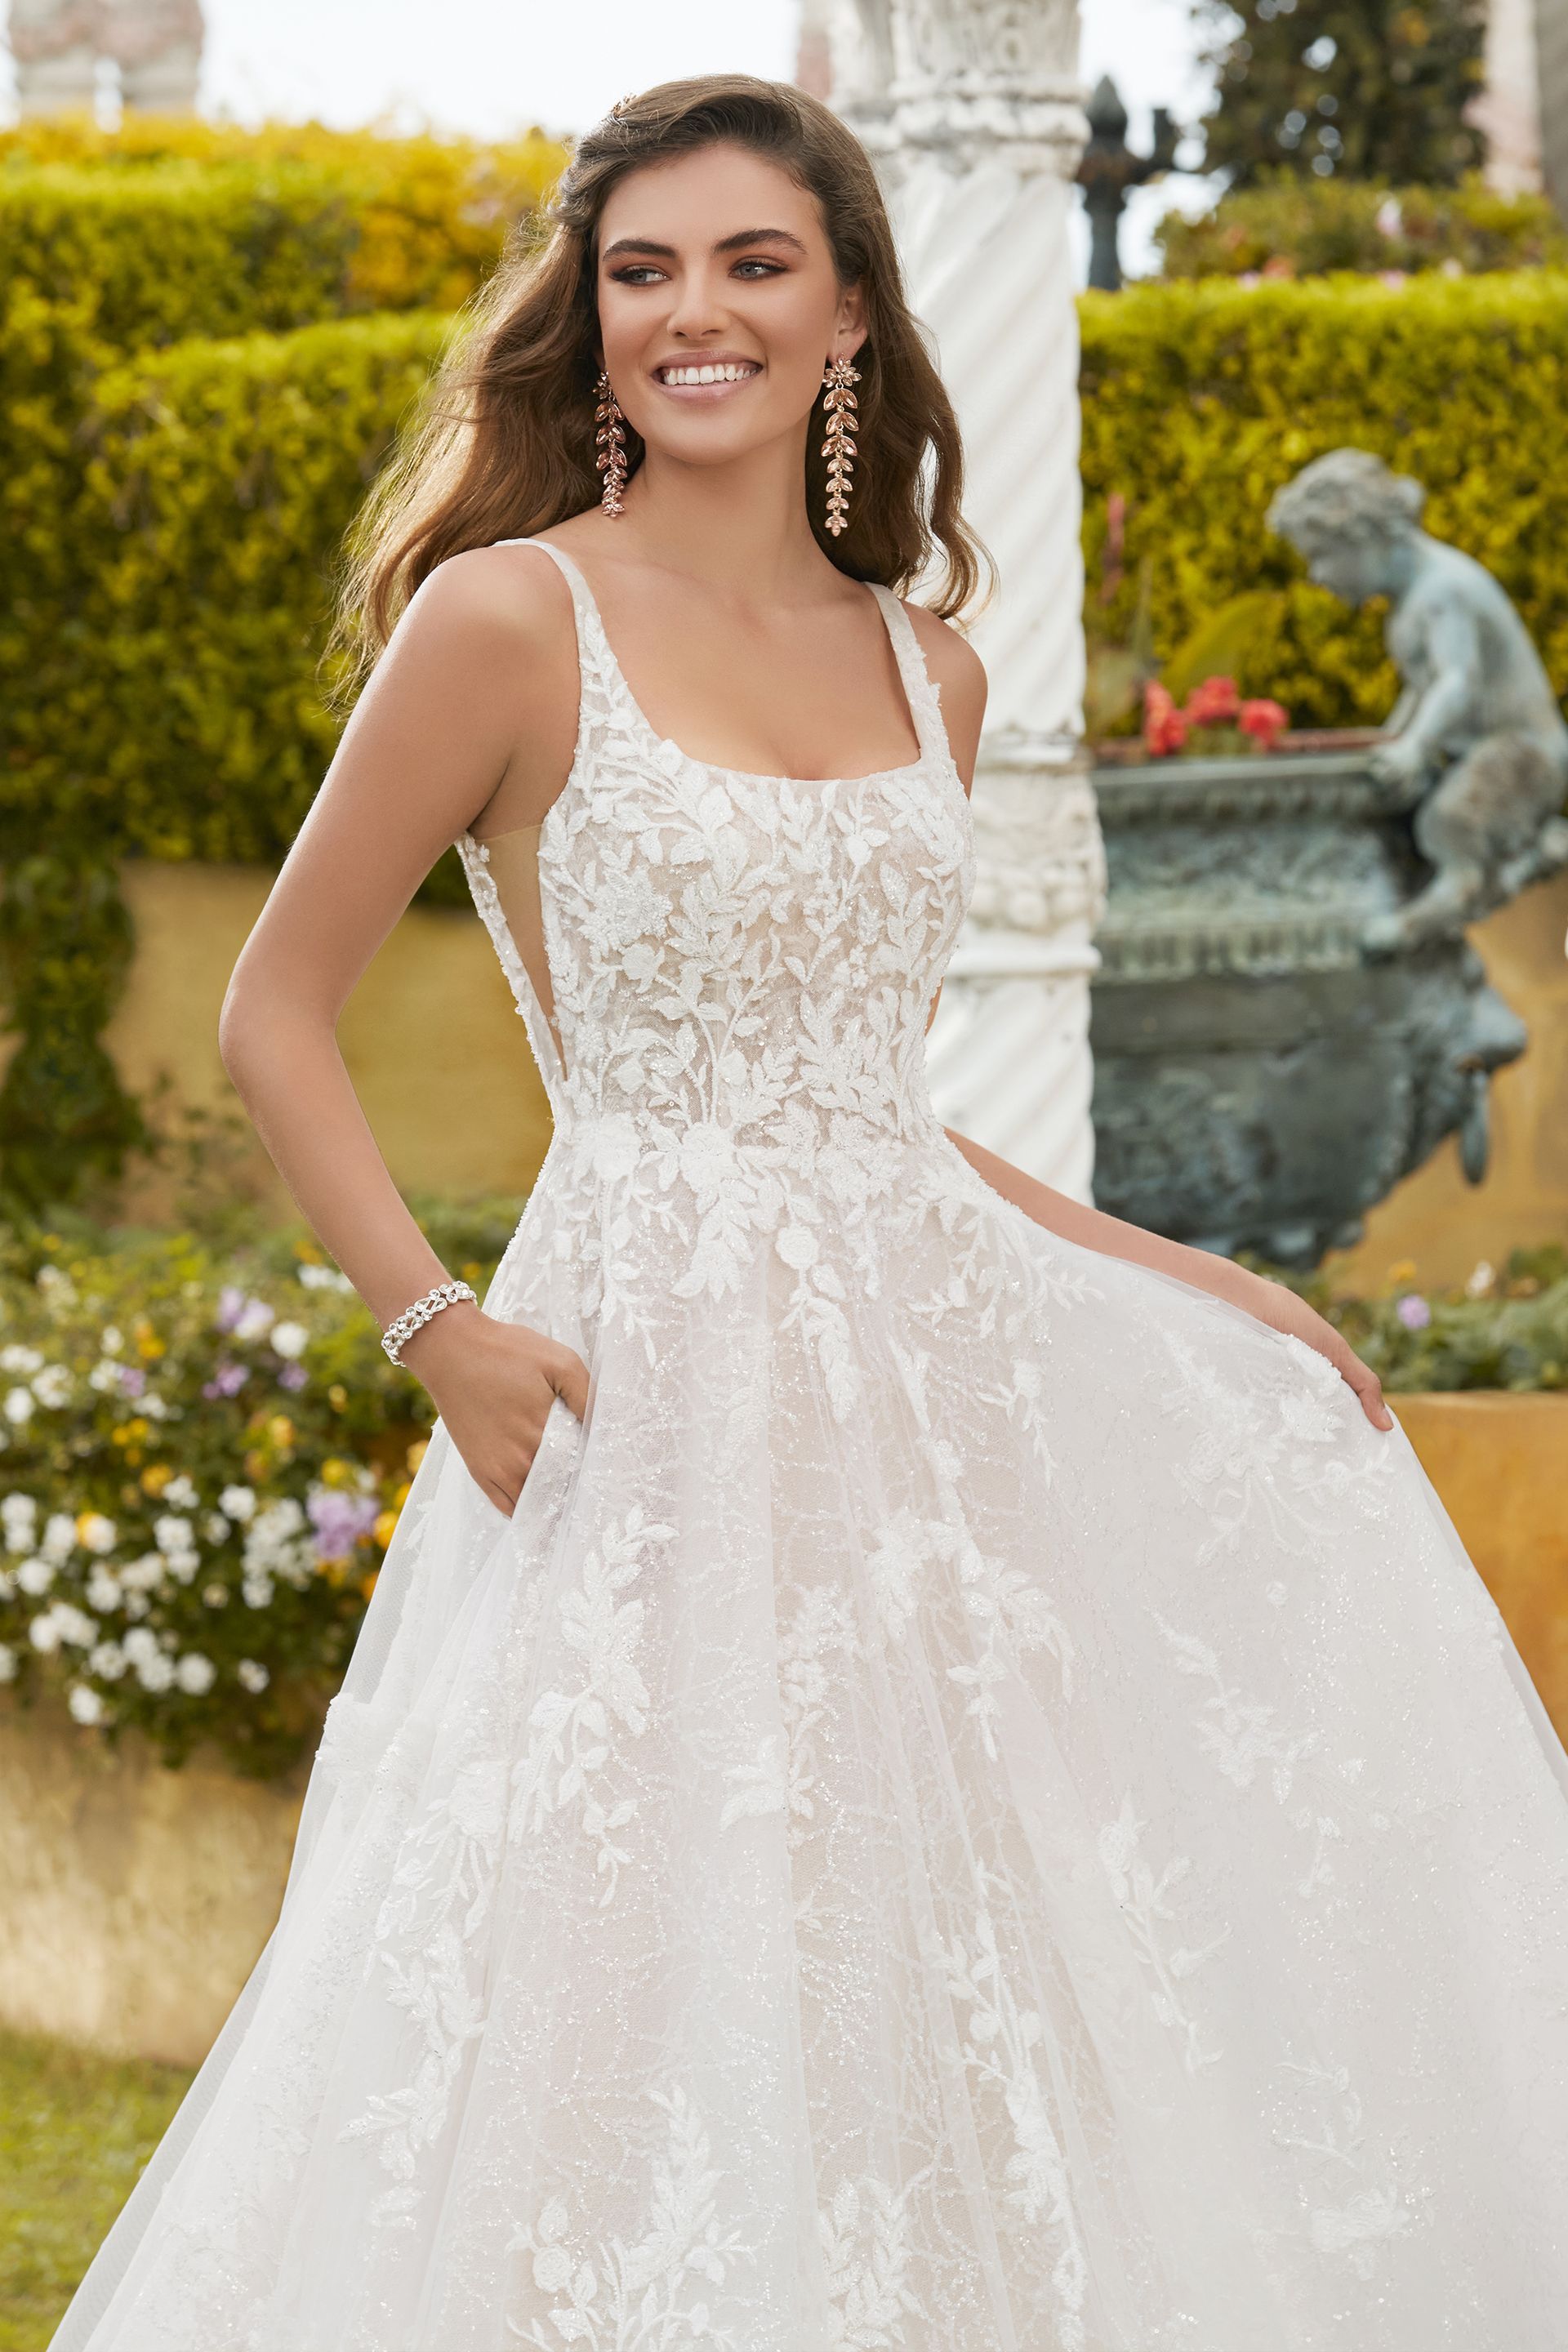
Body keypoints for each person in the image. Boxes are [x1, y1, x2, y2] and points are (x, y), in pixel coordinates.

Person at [51, 74, 1568, 2352]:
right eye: (643, 270)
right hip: (642, 1400)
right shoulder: (509, 618)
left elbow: (880, 1117)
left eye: (755, 263)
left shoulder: (926, 667)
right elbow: (275, 1010)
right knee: (619, 1950)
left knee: (943, 1940)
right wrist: (432, 1329)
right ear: (591, 315)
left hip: (923, 1421)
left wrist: (1206, 1287)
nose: (698, 313)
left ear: (850, 309)